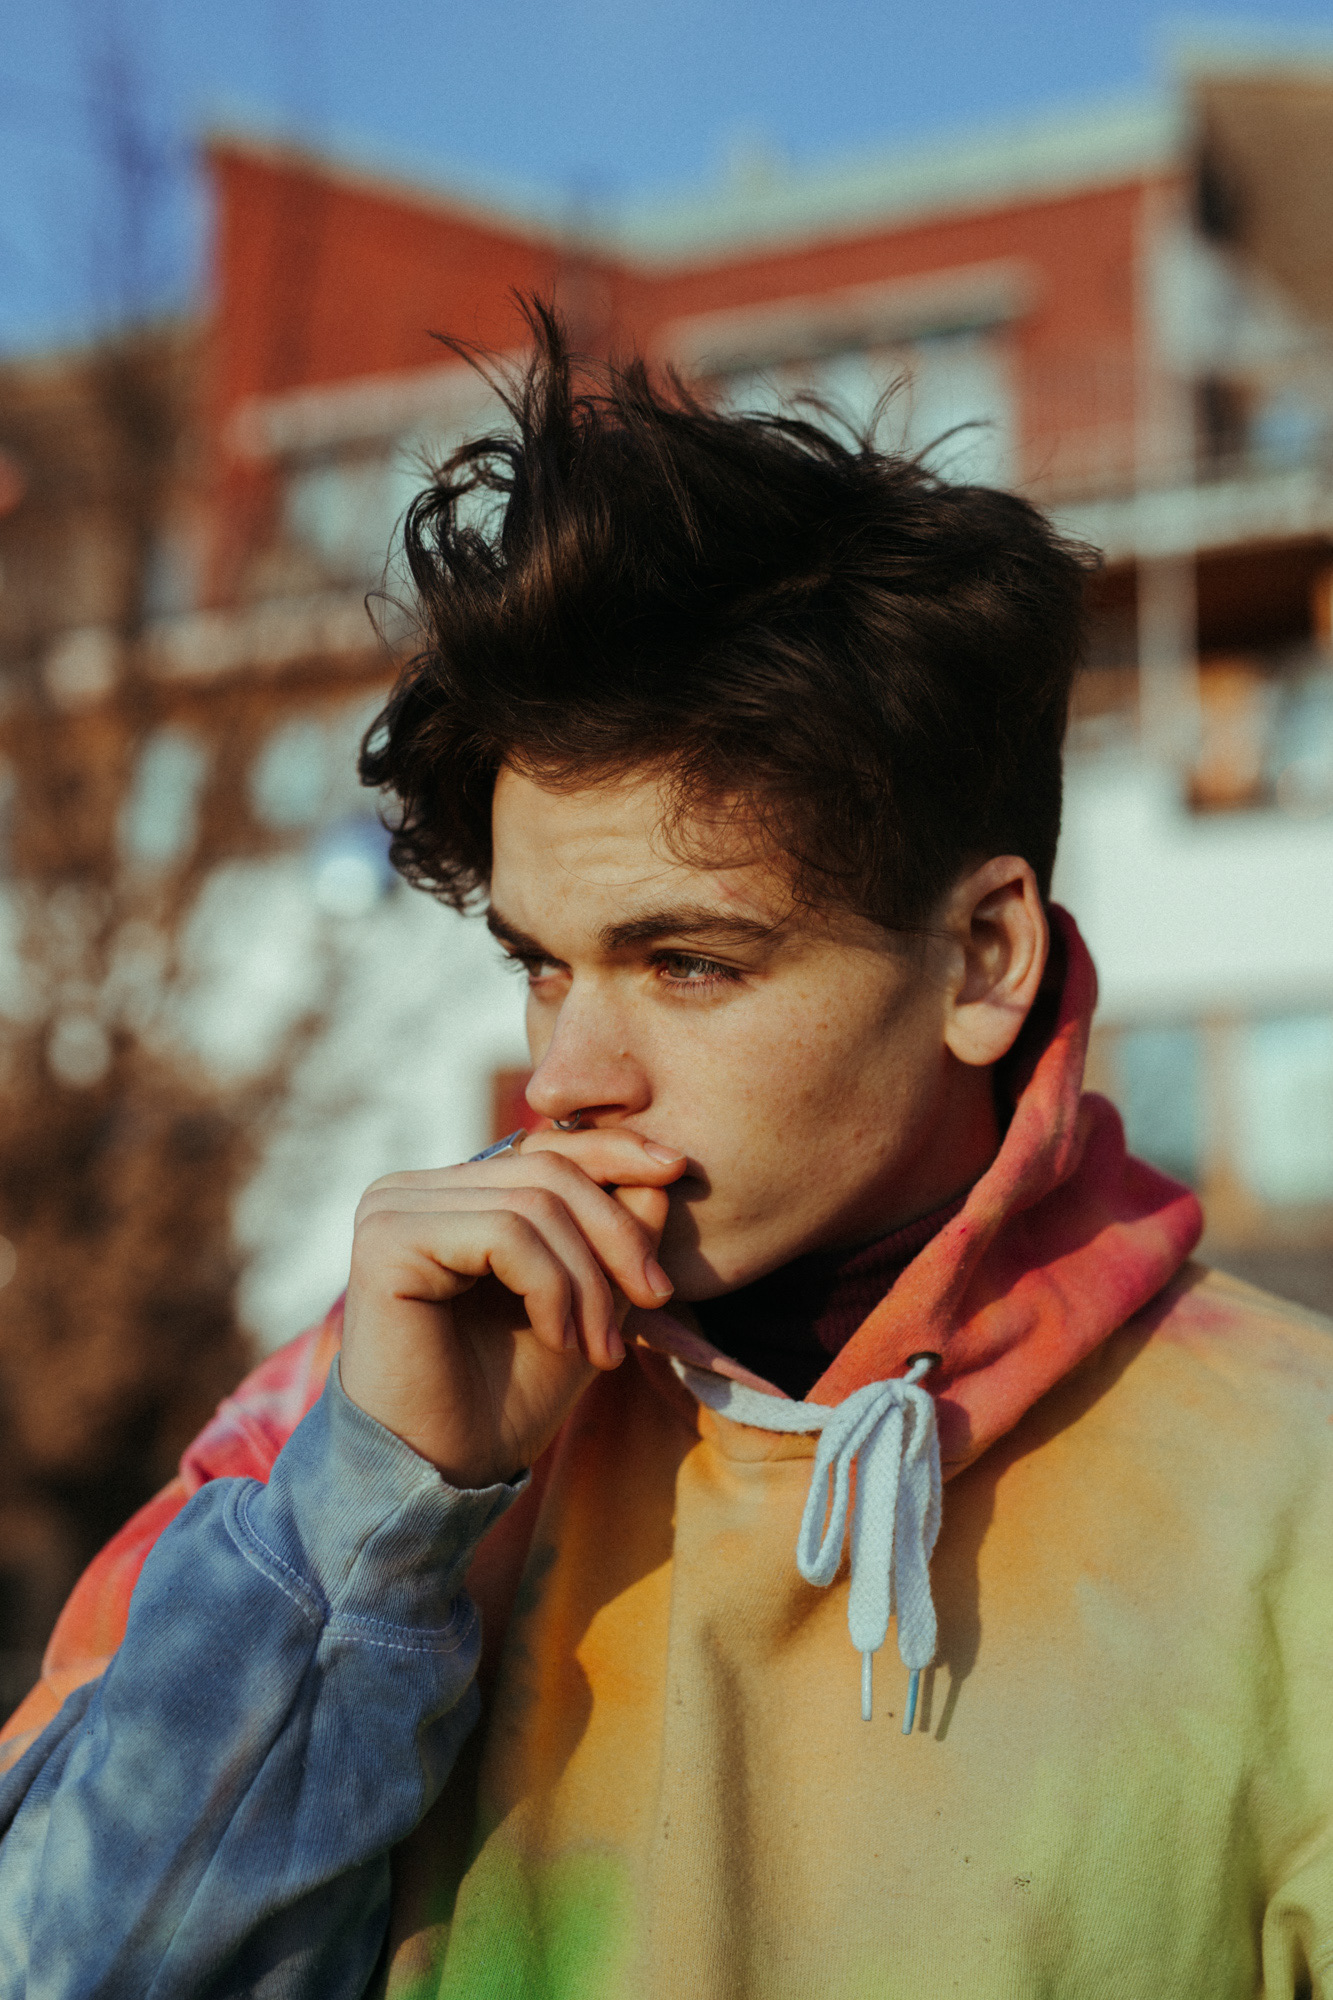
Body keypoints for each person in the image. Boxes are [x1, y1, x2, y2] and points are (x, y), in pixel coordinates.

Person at [1, 303, 1330, 2000]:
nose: (561, 1079)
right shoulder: (361, 1410)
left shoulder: (1288, 1484)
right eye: (542, 965)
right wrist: (371, 1523)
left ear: (982, 960)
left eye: (688, 963)